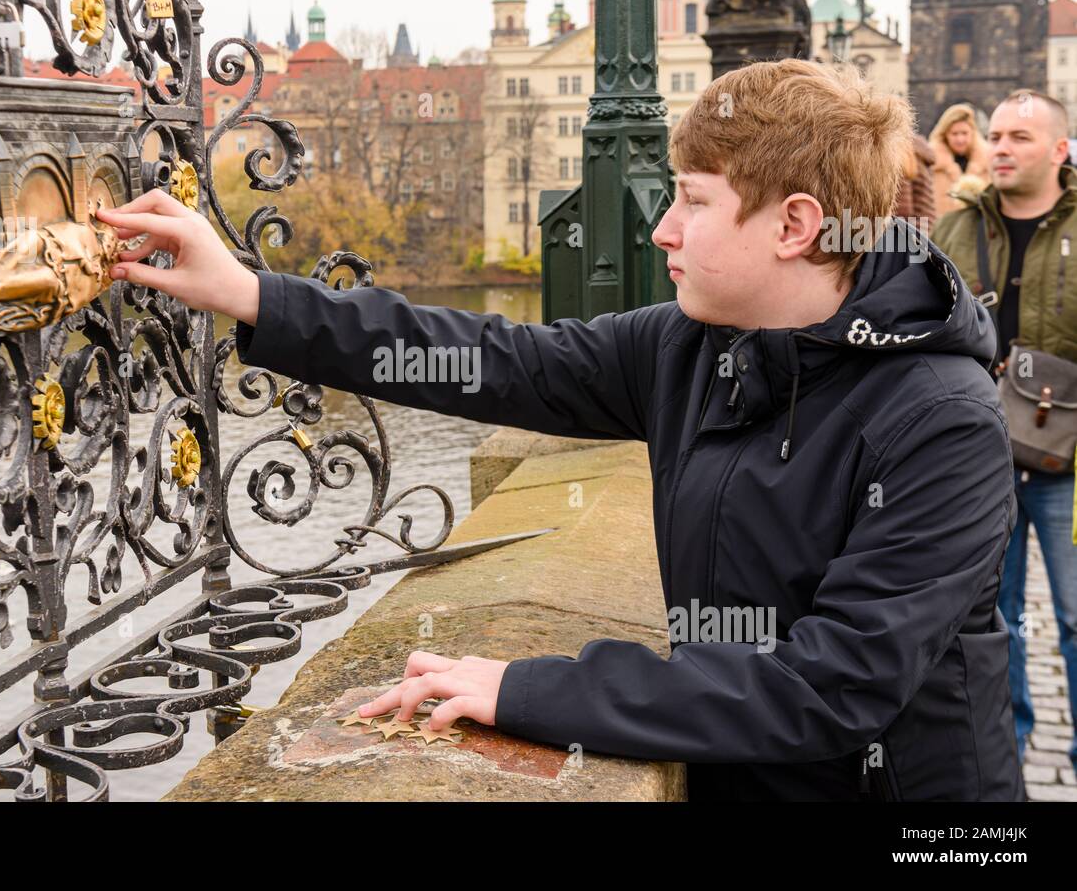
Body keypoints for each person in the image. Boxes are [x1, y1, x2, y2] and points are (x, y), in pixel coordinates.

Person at [95, 59, 1024, 801]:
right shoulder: (694, 347)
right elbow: (492, 357)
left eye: (693, 201)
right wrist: (254, 295)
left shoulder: (943, 420)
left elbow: (829, 688)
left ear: (795, 226)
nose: (662, 229)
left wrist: (528, 691)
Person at [931, 89, 1077, 778]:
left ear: (1058, 150)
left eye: (1020, 135)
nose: (1001, 146)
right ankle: (1008, 754)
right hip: (978, 453)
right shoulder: (957, 226)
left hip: (1073, 460)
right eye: (995, 134)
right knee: (994, 619)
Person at [930, 102, 991, 220]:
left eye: (964, 133)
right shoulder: (931, 163)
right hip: (941, 232)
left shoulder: (987, 162)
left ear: (972, 133)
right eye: (954, 134)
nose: (960, 139)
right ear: (945, 135)